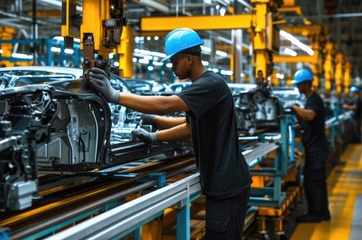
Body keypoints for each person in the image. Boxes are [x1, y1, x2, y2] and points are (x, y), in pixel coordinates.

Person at [89, 28, 252, 239]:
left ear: (190, 59)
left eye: (175, 62)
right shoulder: (206, 86)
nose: (173, 68)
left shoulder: (209, 85)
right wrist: (154, 130)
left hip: (227, 186)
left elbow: (168, 104)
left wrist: (116, 96)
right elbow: (188, 127)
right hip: (224, 183)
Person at [290, 68, 331, 223]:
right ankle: (323, 212)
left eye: (299, 84)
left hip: (317, 150)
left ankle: (316, 213)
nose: (298, 87)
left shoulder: (314, 100)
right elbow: (308, 120)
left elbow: (310, 115)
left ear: (307, 84)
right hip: (315, 148)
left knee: (313, 182)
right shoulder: (310, 99)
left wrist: (294, 108)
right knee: (317, 181)